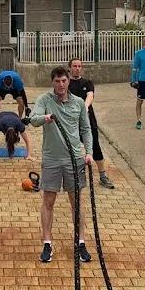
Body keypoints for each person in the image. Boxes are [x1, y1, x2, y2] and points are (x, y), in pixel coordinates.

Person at [29, 66, 95, 264]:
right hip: (52, 159)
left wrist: (89, 152)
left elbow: (86, 129)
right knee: (49, 201)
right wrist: (45, 118)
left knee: (76, 202)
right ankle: (47, 243)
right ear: (53, 82)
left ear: (68, 81)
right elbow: (33, 120)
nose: (60, 84)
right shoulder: (45, 100)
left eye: (64, 81)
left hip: (74, 159)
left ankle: (80, 242)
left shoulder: (78, 103)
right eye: (57, 81)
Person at [67, 58, 115, 189]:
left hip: (88, 120)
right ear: (69, 68)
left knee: (95, 146)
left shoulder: (87, 82)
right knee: (69, 147)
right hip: (71, 121)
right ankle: (70, 175)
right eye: (74, 66)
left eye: (79, 66)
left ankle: (103, 176)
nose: (77, 68)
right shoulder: (66, 83)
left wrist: (85, 107)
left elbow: (90, 95)